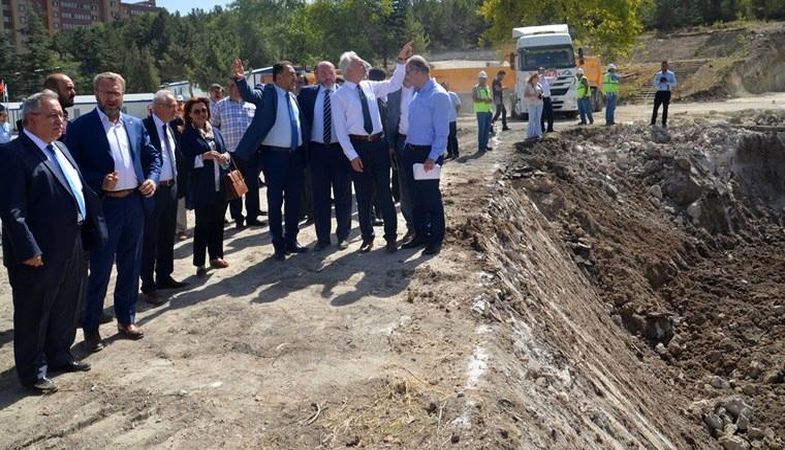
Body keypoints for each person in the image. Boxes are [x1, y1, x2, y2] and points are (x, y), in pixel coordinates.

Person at [0, 90, 107, 393]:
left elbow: (78, 189)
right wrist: (27, 248)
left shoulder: (60, 148)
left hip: (72, 241)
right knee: (35, 311)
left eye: (61, 114)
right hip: (38, 250)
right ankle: (32, 372)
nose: (60, 120)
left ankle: (60, 354)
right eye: (52, 115)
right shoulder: (12, 154)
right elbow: (11, 209)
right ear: (31, 119)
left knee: (67, 303)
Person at [65, 72, 161, 352]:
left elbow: (152, 156)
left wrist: (152, 178)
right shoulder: (82, 127)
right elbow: (72, 167)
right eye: (106, 92)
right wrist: (98, 182)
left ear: (123, 95)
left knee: (131, 265)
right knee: (101, 269)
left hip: (134, 204)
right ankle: (92, 327)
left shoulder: (133, 124)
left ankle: (126, 318)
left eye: (116, 93)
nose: (112, 98)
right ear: (96, 94)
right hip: (105, 208)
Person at [331, 42, 412, 253]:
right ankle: (367, 236)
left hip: (379, 144)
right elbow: (340, 131)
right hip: (358, 146)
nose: (364, 67)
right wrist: (351, 156)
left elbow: (394, 83)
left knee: (384, 192)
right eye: (360, 65)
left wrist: (401, 61)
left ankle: (391, 236)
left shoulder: (369, 86)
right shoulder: (339, 96)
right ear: (349, 70)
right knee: (364, 194)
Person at [233, 59, 308, 260]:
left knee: (294, 201)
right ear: (279, 76)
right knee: (275, 202)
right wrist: (240, 79)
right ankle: (278, 244)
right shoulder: (267, 92)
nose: (295, 77)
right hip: (274, 157)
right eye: (291, 73)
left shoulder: (293, 98)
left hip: (295, 157)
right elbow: (249, 95)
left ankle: (292, 239)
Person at [140, 90, 188, 305]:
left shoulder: (170, 128)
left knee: (167, 236)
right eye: (171, 106)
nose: (176, 109)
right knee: (150, 239)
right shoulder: (143, 127)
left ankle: (164, 276)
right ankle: (148, 285)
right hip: (153, 191)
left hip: (170, 188)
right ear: (157, 107)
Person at [298, 61, 352, 251]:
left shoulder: (345, 93)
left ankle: (343, 235)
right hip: (317, 151)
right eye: (322, 72)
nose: (327, 75)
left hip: (340, 151)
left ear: (334, 72)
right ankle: (323, 238)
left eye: (329, 71)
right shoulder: (306, 94)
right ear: (316, 75)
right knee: (319, 197)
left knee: (343, 195)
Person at [399, 56, 449, 255]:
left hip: (427, 153)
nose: (407, 76)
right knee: (415, 199)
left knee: (430, 198)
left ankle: (435, 239)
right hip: (411, 151)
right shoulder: (416, 94)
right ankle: (421, 235)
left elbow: (442, 132)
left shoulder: (438, 96)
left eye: (408, 72)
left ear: (418, 71)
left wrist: (433, 156)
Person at [179, 98, 231, 276]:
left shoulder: (215, 131)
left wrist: (225, 157)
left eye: (203, 110)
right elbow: (184, 162)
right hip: (202, 187)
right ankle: (200, 262)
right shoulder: (187, 135)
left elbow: (226, 151)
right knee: (203, 224)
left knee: (218, 222)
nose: (201, 114)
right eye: (197, 111)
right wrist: (203, 157)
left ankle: (216, 256)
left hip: (220, 185)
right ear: (190, 115)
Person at [212, 78, 262, 229]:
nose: (236, 89)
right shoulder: (220, 106)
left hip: (250, 153)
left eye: (238, 86)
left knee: (252, 185)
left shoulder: (251, 105)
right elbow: (213, 128)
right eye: (232, 86)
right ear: (228, 88)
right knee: (234, 186)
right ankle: (238, 218)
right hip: (231, 153)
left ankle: (252, 216)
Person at [386, 79, 415, 245]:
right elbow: (391, 119)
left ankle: (426, 225)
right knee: (405, 188)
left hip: (423, 143)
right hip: (402, 142)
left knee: (424, 186)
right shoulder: (394, 93)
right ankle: (412, 226)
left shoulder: (424, 90)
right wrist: (391, 145)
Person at [651, 61, 677, 128]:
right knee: (655, 108)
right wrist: (659, 81)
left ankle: (664, 123)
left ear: (667, 66)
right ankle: (652, 122)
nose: (664, 67)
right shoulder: (658, 74)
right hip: (659, 92)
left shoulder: (671, 74)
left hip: (666, 92)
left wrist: (667, 82)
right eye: (662, 66)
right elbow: (654, 83)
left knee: (665, 108)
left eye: (665, 66)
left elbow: (674, 83)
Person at [473, 71, 493, 152]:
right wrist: (484, 100)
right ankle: (481, 146)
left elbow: (490, 97)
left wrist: (490, 99)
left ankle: (485, 145)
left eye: (484, 78)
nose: (483, 80)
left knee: (487, 129)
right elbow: (475, 99)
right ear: (479, 79)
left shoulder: (487, 87)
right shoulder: (475, 88)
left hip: (488, 110)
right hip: (481, 111)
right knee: (482, 129)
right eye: (481, 78)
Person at [442, 82, 461, 159]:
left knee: (453, 136)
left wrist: (455, 113)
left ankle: (456, 153)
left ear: (447, 87)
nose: (444, 88)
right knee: (446, 137)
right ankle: (450, 153)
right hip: (444, 121)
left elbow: (458, 105)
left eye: (445, 86)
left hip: (452, 120)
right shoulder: (439, 96)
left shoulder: (453, 95)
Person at [524, 73, 544, 141]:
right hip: (531, 104)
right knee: (531, 119)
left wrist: (541, 95)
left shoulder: (539, 85)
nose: (537, 79)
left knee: (538, 119)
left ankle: (538, 133)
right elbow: (525, 95)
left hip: (539, 104)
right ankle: (530, 135)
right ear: (532, 78)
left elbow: (542, 92)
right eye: (535, 78)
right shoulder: (528, 86)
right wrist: (533, 95)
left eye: (538, 78)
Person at [538, 67, 555, 133]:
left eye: (543, 71)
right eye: (541, 71)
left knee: (550, 114)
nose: (543, 72)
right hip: (542, 99)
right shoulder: (538, 79)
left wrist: (554, 71)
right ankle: (542, 129)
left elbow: (554, 78)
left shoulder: (546, 79)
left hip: (548, 98)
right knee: (542, 115)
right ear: (539, 72)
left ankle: (550, 128)